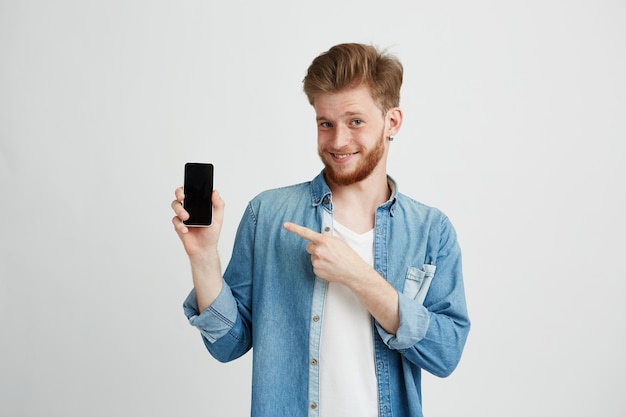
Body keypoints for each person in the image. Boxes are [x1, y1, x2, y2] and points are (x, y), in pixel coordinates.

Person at [171, 42, 470, 417]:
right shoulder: (267, 214)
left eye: (355, 121)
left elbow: (446, 353)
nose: (338, 141)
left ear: (392, 122)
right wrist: (203, 258)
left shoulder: (431, 230)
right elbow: (227, 345)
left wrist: (359, 277)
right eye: (325, 124)